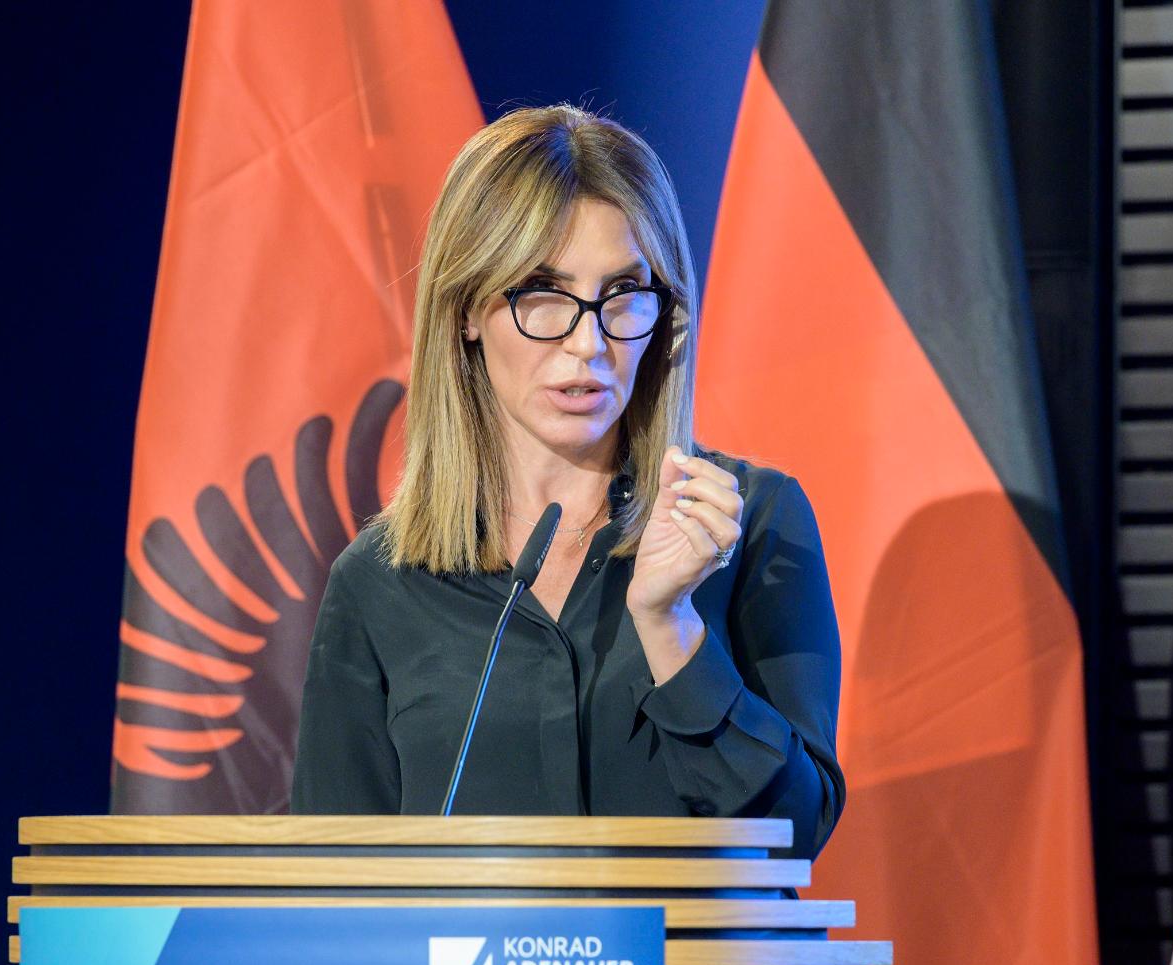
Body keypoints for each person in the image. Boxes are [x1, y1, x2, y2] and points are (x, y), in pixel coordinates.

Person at [290, 105, 844, 861]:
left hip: (690, 947)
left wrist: (671, 628)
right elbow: (333, 882)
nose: (589, 343)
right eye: (543, 293)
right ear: (467, 310)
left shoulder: (750, 525)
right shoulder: (378, 583)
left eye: (624, 293)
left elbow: (795, 835)